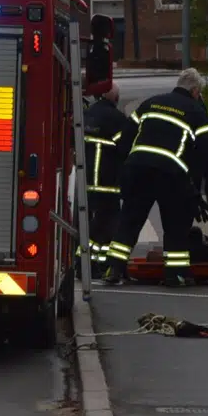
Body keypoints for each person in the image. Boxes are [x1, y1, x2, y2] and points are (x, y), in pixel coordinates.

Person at [102, 68, 208, 288]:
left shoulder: (151, 103)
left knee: (129, 221)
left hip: (138, 168)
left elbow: (126, 137)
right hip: (170, 173)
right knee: (175, 225)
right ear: (195, 91)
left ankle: (114, 269)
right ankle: (175, 275)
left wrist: (125, 169)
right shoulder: (196, 111)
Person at [82, 83, 134, 275]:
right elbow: (126, 147)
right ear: (115, 98)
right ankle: (103, 264)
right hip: (108, 181)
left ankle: (85, 262)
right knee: (109, 223)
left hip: (85, 180)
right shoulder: (117, 119)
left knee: (90, 223)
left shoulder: (86, 115)